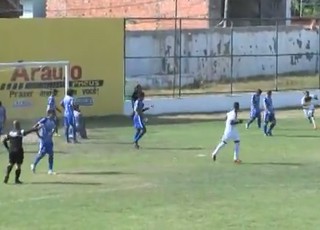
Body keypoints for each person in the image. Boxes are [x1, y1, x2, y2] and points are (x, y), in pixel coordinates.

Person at [30, 110, 57, 175]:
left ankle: (50, 170)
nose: (54, 115)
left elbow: (54, 128)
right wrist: (38, 134)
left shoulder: (53, 121)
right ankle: (33, 164)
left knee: (51, 154)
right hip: (44, 141)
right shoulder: (44, 120)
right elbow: (36, 126)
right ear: (49, 114)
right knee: (42, 154)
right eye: (53, 114)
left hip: (49, 140)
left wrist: (52, 133)